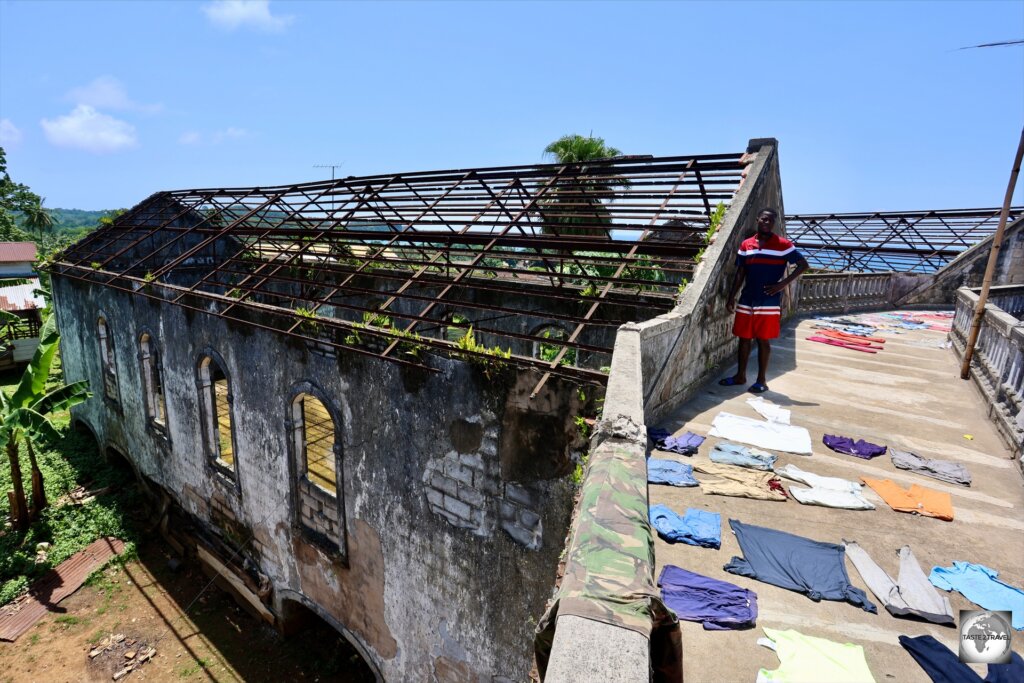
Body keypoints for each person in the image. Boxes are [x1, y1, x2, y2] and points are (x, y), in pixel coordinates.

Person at [719, 208, 808, 394]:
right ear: (758, 219)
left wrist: (782, 284)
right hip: (747, 298)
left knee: (763, 340)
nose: (766, 223)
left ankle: (761, 381)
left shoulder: (783, 244)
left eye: (770, 221)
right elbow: (740, 273)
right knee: (743, 339)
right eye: (764, 219)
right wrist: (731, 297)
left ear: (773, 223)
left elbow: (802, 265)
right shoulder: (746, 245)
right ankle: (740, 376)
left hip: (768, 301)